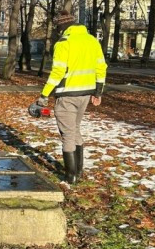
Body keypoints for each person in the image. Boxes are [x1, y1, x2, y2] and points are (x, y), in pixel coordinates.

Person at [35, 10, 107, 184]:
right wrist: (98, 92)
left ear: (61, 25)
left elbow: (58, 72)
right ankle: (79, 171)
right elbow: (101, 67)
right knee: (75, 130)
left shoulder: (63, 43)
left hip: (66, 95)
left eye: (58, 26)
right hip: (85, 94)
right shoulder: (92, 40)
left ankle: (70, 176)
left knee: (67, 134)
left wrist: (44, 94)